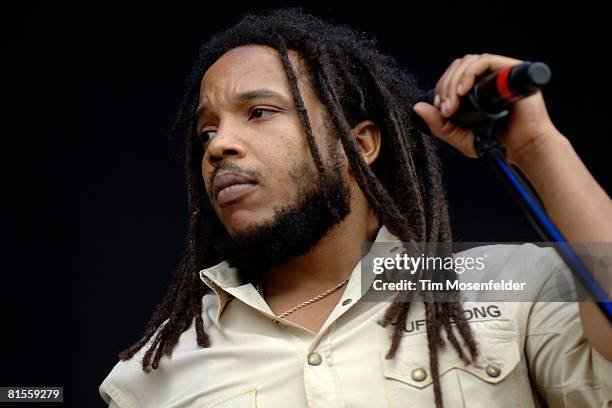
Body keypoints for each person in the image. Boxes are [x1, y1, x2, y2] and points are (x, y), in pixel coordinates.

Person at [99, 8, 612, 408]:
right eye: (206, 131)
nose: (217, 146)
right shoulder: (152, 374)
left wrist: (538, 148)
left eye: (259, 112)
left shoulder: (512, 288)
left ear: (359, 145)